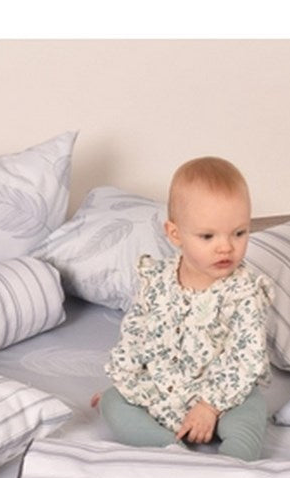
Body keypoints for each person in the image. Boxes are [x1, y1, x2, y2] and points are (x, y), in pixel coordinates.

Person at [92, 156, 273, 461]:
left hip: (223, 393)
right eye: (208, 236)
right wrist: (126, 383)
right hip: (163, 387)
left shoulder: (244, 292)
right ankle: (169, 452)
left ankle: (233, 464)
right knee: (112, 402)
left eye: (239, 233)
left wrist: (210, 406)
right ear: (175, 234)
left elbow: (246, 358)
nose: (226, 247)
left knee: (250, 410)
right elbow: (135, 336)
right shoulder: (157, 279)